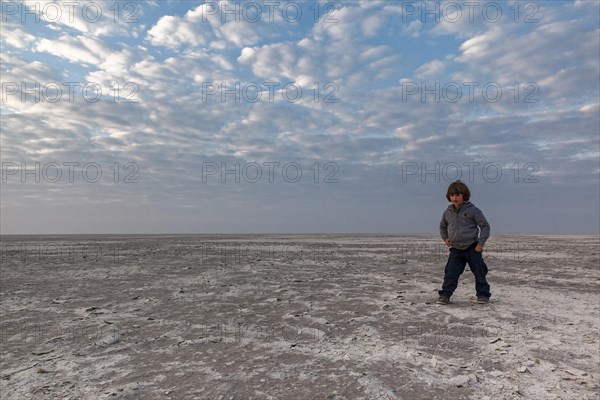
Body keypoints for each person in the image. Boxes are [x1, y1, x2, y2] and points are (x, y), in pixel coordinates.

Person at [436, 180, 491, 305]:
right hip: (455, 248)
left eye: (457, 195)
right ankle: (445, 295)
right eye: (452, 195)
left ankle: (483, 295)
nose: (454, 197)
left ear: (464, 196)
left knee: (479, 272)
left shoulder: (473, 210)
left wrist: (480, 244)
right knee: (451, 272)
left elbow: (485, 226)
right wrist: (445, 239)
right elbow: (442, 226)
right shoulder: (447, 212)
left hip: (472, 247)